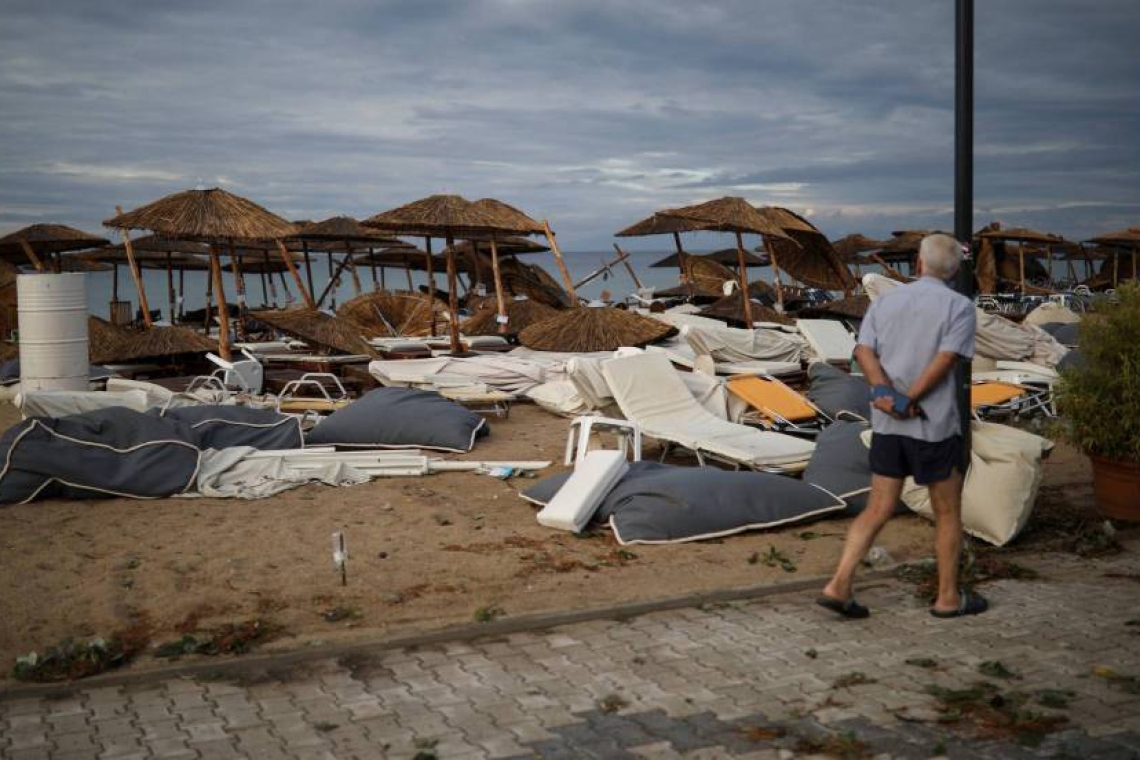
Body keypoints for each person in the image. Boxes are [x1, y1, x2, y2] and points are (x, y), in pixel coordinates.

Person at [818, 233, 987, 619]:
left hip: (888, 424)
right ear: (955, 270)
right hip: (934, 426)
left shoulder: (887, 300)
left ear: (918, 264)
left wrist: (883, 392)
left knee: (878, 507)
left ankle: (839, 584)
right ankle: (947, 598)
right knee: (947, 512)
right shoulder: (959, 307)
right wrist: (909, 400)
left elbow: (863, 350)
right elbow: (945, 360)